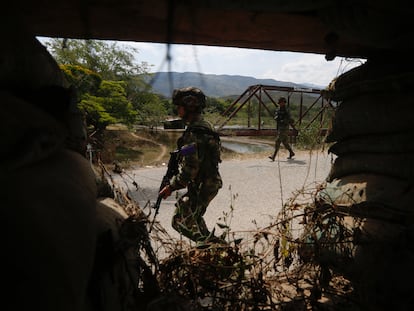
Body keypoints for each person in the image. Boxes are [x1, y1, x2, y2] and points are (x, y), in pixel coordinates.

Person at [159, 86, 223, 244]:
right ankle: (213, 252)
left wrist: (171, 186)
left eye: (179, 107)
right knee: (194, 220)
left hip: (204, 185)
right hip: (207, 183)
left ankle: (215, 249)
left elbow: (190, 171)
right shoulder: (205, 126)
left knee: (180, 220)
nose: (178, 111)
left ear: (189, 107)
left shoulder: (193, 133)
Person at [269, 97, 296, 161]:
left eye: (281, 102)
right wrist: (277, 118)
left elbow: (290, 119)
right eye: (279, 103)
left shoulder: (286, 110)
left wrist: (284, 121)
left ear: (284, 103)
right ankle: (291, 152)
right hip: (279, 127)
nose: (280, 104)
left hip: (284, 128)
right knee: (285, 142)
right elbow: (275, 116)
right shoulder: (278, 109)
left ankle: (274, 156)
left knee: (277, 141)